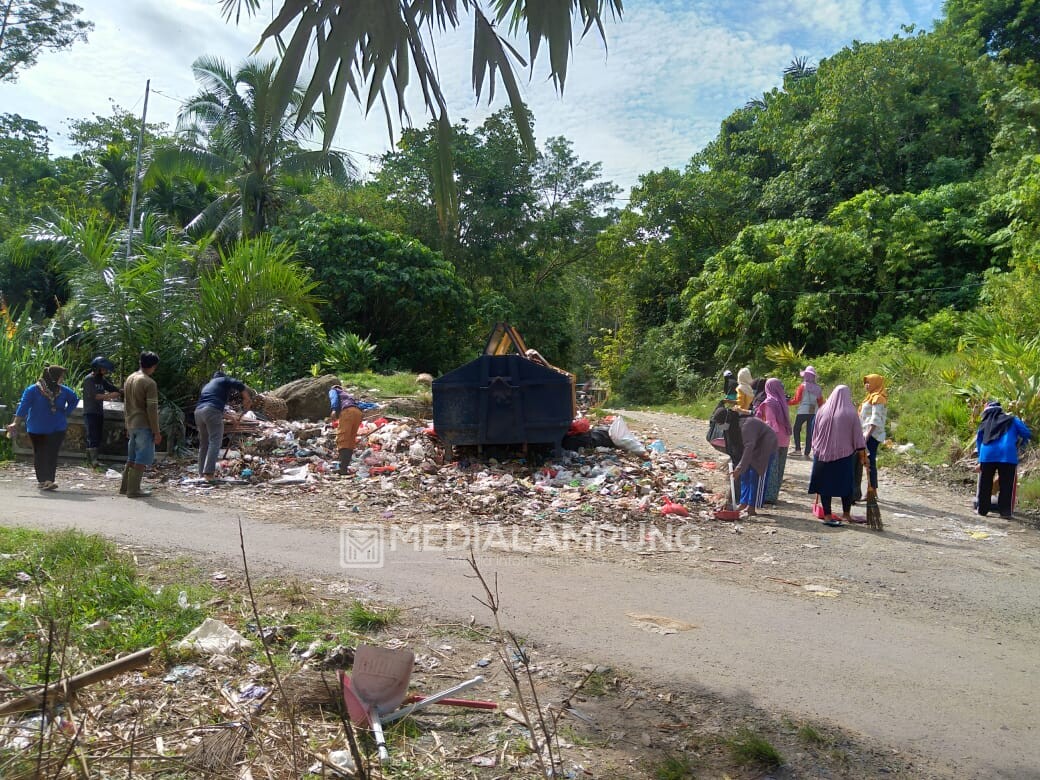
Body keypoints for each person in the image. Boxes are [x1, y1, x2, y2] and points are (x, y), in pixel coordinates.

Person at [6, 366, 79, 490]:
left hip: (57, 428)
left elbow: (74, 400)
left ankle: (49, 480)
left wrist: (65, 413)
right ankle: (42, 480)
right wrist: (15, 423)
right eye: (61, 376)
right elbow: (23, 408)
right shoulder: (32, 390)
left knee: (52, 453)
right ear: (53, 377)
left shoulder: (63, 391)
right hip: (37, 428)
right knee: (40, 454)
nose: (62, 379)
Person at [808, 385, 867, 526]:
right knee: (846, 486)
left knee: (824, 485)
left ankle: (827, 515)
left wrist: (816, 446)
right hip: (843, 456)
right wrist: (862, 453)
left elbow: (813, 430)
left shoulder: (822, 410)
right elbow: (858, 435)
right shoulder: (851, 413)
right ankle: (846, 514)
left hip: (821, 454)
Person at [712, 405, 777, 516]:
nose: (719, 426)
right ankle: (743, 503)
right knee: (745, 475)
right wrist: (739, 468)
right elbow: (736, 448)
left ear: (726, 420)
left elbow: (749, 448)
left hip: (765, 445)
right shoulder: (732, 428)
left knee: (755, 474)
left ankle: (752, 507)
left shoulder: (746, 425)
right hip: (753, 446)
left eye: (720, 423)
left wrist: (739, 468)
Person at [975, 401, 1032, 518]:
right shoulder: (1013, 420)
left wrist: (980, 460)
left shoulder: (985, 422)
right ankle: (1005, 512)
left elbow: (979, 441)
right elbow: (1026, 433)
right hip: (1007, 455)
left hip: (987, 455)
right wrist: (1021, 445)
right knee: (1006, 485)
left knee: (985, 483)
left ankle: (982, 510)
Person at [194, 370, 252, 484]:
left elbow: (211, 407)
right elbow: (239, 384)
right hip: (210, 411)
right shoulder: (223, 380)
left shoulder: (208, 386)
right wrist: (247, 398)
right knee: (215, 441)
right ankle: (209, 474)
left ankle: (201, 473)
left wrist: (232, 418)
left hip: (199, 412)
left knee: (204, 443)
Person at [122, 351, 162, 498]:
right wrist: (156, 431)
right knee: (141, 458)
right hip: (144, 424)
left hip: (131, 423)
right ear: (153, 366)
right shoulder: (149, 383)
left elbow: (126, 404)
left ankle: (125, 487)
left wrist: (127, 424)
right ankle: (133, 490)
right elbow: (152, 409)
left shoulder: (130, 378)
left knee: (131, 457)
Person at [756, 377, 792, 504]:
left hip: (774, 439)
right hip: (785, 439)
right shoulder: (782, 401)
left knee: (771, 467)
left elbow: (771, 424)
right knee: (780, 468)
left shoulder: (770, 402)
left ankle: (769, 496)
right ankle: (774, 494)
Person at [82, 356, 121, 466]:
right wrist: (109, 396)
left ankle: (93, 460)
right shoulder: (89, 379)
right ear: (97, 368)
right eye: (103, 369)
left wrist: (120, 390)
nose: (105, 371)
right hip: (90, 411)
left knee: (98, 435)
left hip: (98, 411)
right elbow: (95, 396)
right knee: (92, 435)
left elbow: (112, 388)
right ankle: (92, 461)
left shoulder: (101, 380)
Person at [859, 374, 888, 492]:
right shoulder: (870, 397)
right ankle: (870, 489)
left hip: (872, 435)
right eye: (865, 382)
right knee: (866, 461)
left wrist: (868, 434)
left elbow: (876, 418)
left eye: (869, 382)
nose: (866, 385)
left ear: (875, 383)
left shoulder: (878, 398)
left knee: (870, 461)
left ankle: (872, 489)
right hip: (866, 433)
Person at [788, 365, 824, 457]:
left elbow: (797, 399)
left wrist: (787, 402)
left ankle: (798, 449)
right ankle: (807, 452)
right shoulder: (818, 388)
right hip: (814, 412)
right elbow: (820, 402)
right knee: (810, 432)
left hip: (802, 411)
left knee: (796, 428)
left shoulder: (802, 387)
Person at [329, 385, 364, 474]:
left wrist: (333, 409)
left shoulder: (334, 390)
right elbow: (361, 404)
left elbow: (334, 398)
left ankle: (342, 468)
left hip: (348, 412)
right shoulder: (348, 395)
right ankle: (344, 467)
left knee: (343, 438)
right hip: (358, 413)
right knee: (351, 440)